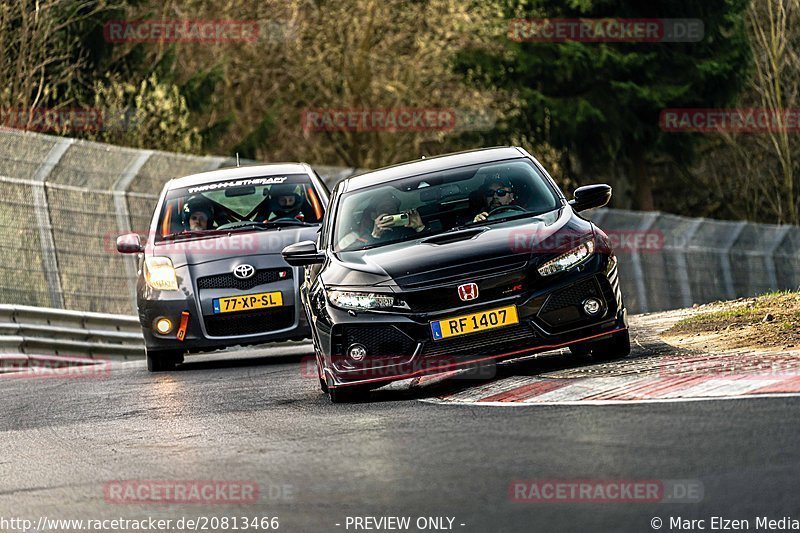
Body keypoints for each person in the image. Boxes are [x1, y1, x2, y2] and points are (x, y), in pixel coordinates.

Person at [338, 191, 425, 250]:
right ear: (373, 216)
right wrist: (375, 236)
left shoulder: (407, 228)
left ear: (397, 212)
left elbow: (423, 248)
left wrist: (419, 228)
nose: (388, 215)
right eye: (383, 211)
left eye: (391, 210)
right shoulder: (365, 235)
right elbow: (360, 255)